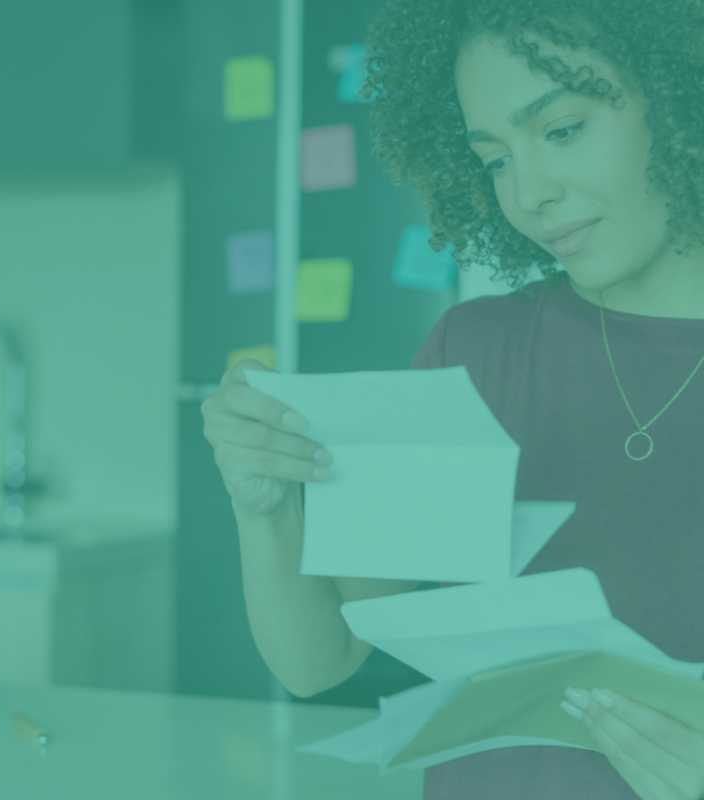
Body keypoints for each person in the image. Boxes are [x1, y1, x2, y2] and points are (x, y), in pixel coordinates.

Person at [201, 0, 704, 797]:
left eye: (562, 130)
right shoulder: (475, 353)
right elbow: (320, 658)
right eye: (496, 158)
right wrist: (261, 506)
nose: (530, 190)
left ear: (684, 94)